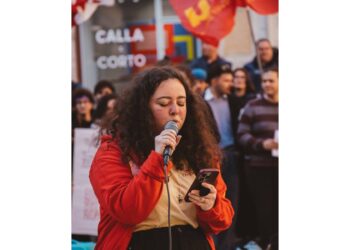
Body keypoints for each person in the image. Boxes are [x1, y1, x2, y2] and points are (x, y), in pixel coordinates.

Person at [89, 66, 234, 250]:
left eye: (181, 103)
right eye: (164, 103)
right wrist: (157, 158)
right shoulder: (114, 150)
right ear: (142, 109)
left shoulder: (199, 149)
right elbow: (127, 211)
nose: (175, 111)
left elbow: (223, 221)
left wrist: (211, 206)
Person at [237, 67, 279, 250]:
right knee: (264, 210)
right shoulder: (252, 106)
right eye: (264, 81)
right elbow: (242, 135)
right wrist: (262, 144)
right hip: (259, 167)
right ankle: (266, 243)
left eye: (271, 81)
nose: (267, 84)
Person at [203, 62, 239, 250]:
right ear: (214, 80)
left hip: (231, 156)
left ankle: (227, 246)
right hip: (211, 159)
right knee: (209, 202)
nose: (230, 83)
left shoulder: (233, 101)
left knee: (230, 203)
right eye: (226, 80)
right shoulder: (201, 102)